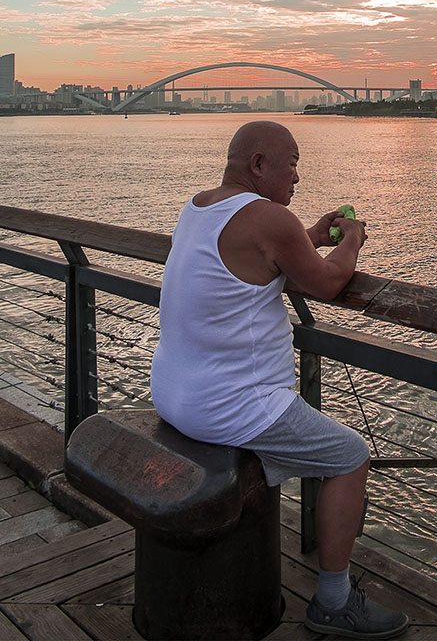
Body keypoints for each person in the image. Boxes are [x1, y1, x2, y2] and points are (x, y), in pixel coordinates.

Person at [151, 121, 408, 639]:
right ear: (259, 164)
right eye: (291, 162)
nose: (298, 175)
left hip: (173, 391)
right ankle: (334, 602)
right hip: (230, 405)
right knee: (350, 456)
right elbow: (329, 282)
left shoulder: (199, 205)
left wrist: (308, 237)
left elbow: (260, 259)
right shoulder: (271, 219)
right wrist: (351, 242)